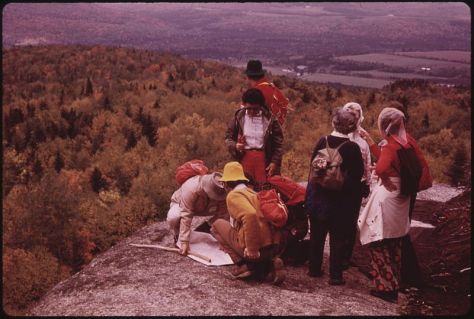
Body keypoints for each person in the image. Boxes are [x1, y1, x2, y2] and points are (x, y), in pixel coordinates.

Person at [357, 107, 431, 303]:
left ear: (384, 125)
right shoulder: (408, 143)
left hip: (388, 197)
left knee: (377, 240)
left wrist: (383, 176)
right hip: (402, 197)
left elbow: (382, 165)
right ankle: (395, 282)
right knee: (394, 241)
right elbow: (391, 162)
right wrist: (373, 145)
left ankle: (386, 287)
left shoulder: (391, 146)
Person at [306, 108, 364, 285]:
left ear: (333, 123)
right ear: (353, 127)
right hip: (340, 202)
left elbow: (312, 165)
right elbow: (357, 175)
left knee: (317, 235)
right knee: (338, 238)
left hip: (318, 198)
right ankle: (335, 276)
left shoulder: (322, 140)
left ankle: (314, 269)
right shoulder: (353, 148)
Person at [210, 161, 286, 285]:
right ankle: (268, 265)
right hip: (271, 245)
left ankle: (246, 265)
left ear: (226, 183)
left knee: (216, 225)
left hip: (255, 248)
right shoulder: (253, 193)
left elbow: (250, 215)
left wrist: (252, 249)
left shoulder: (233, 195)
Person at [225, 88, 284, 190]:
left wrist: (274, 162)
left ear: (261, 106)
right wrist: (236, 145)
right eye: (249, 108)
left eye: (255, 108)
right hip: (243, 157)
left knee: (264, 190)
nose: (252, 111)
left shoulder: (270, 119)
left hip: (264, 158)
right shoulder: (239, 117)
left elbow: (279, 144)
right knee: (243, 188)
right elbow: (228, 138)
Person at [341, 102, 372, 269]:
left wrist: (367, 183)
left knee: (351, 220)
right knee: (337, 219)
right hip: (338, 184)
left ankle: (346, 255)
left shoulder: (362, 141)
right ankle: (338, 253)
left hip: (355, 186)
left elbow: (367, 163)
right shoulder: (338, 135)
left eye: (356, 115)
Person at [167, 172, 228, 256]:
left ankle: (207, 227)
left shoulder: (222, 189)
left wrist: (223, 241)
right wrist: (184, 241)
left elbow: (223, 215)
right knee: (173, 217)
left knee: (229, 210)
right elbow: (186, 213)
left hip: (206, 208)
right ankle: (178, 234)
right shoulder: (191, 187)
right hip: (182, 205)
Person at [244, 59, 290, 125]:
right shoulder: (272, 88)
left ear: (248, 77)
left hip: (266, 131)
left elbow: (244, 118)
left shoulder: (253, 94)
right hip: (280, 128)